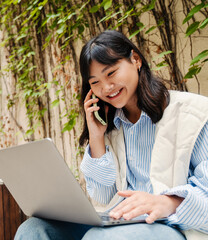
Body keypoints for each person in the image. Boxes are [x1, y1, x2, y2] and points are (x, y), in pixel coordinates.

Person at [14, 30, 208, 240]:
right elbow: (103, 198)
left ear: (136, 60)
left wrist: (166, 203)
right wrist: (97, 138)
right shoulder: (111, 125)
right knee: (33, 230)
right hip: (120, 221)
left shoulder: (194, 114)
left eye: (111, 73)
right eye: (95, 82)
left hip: (174, 226)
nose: (106, 87)